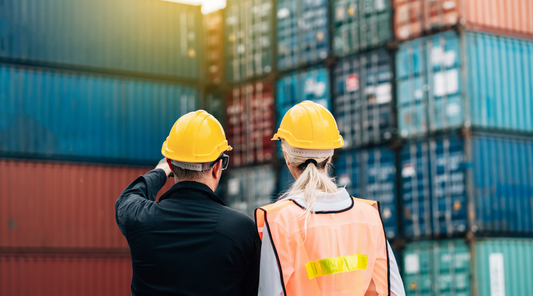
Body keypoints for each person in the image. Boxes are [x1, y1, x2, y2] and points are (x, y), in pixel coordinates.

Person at [255, 101, 405, 296]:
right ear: (330, 156)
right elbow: (393, 291)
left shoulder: (279, 221)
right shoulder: (368, 216)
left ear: (286, 156)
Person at [115, 110, 261, 296]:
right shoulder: (242, 229)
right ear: (217, 167)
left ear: (171, 165)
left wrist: (160, 171)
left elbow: (127, 198)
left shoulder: (140, 219)